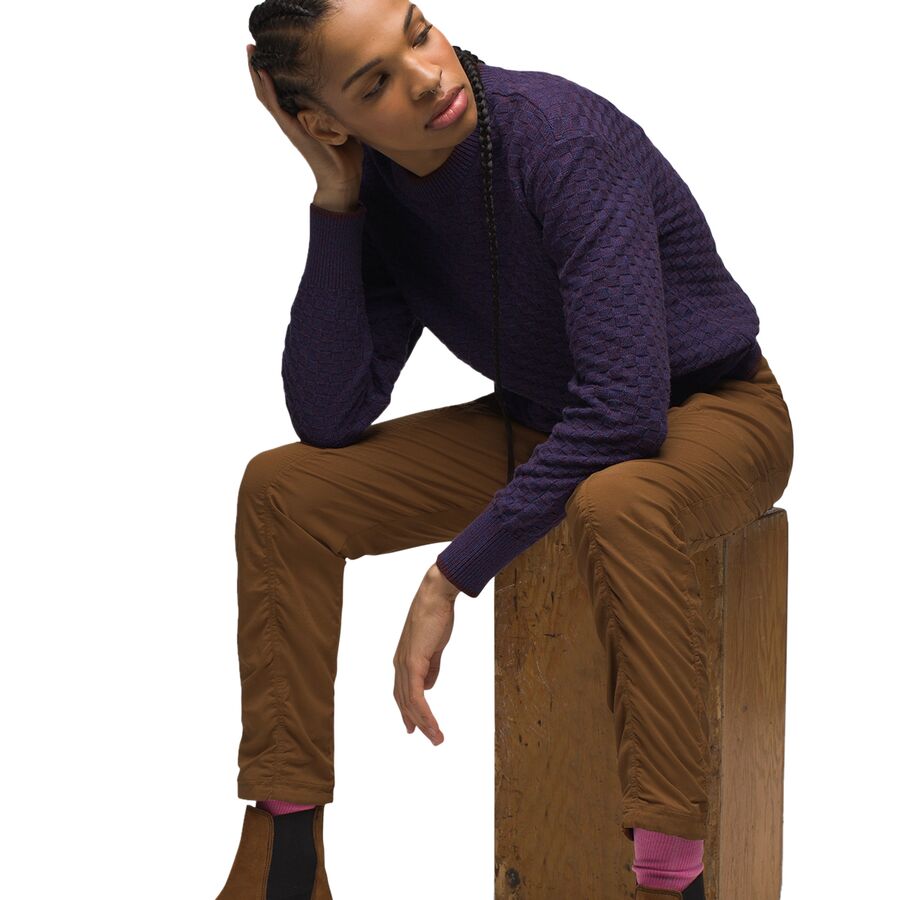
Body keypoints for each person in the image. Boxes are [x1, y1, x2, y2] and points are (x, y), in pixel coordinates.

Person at [215, 1, 794, 898]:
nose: (427, 77)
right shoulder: (386, 185)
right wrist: (338, 201)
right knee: (284, 489)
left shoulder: (561, 139)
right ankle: (285, 859)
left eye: (417, 31)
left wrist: (451, 576)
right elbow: (329, 413)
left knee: (617, 499)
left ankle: (670, 876)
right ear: (327, 123)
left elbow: (626, 414)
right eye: (375, 83)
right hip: (544, 421)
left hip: (711, 409)